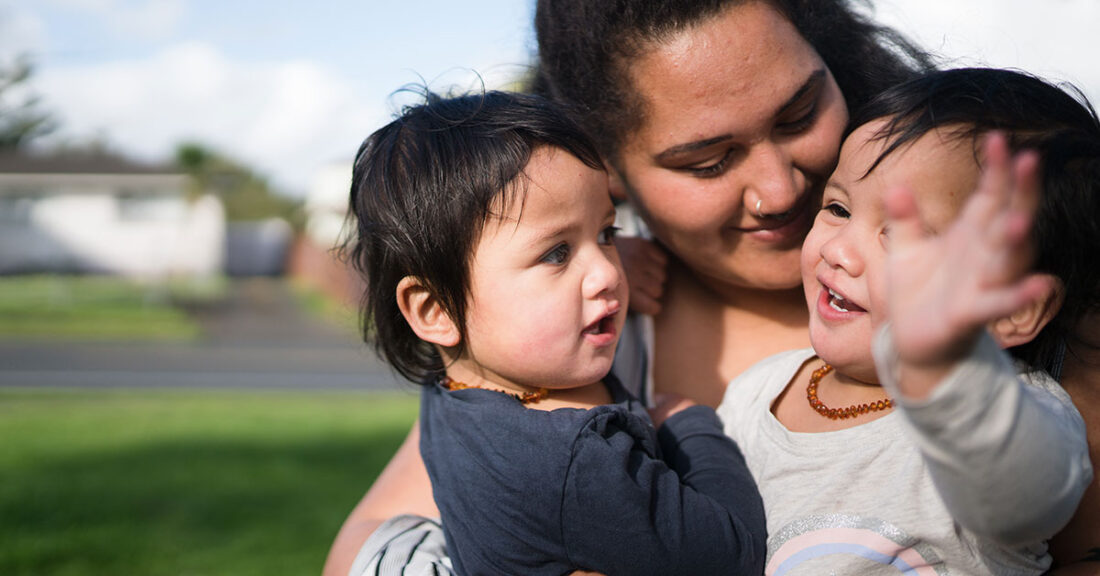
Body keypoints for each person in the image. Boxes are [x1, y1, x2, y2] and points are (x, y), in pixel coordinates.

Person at [323, 1, 933, 574]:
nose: (778, 189)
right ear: (606, 164)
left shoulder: (962, 266)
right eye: (707, 161)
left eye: (798, 116)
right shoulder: (585, 342)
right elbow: (371, 538)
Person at [345, 89, 767, 575]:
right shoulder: (572, 462)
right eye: (556, 254)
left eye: (607, 234)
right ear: (436, 309)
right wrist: (690, 427)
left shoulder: (459, 390)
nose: (608, 273)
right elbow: (733, 552)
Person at [718, 67, 1096, 574]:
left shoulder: (1014, 413)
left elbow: (1025, 495)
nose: (838, 251)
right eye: (838, 208)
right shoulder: (755, 395)